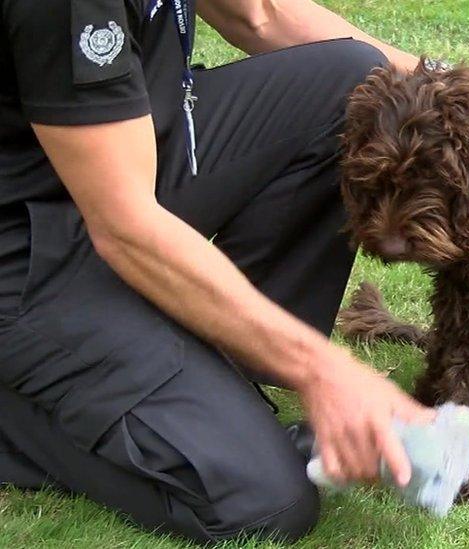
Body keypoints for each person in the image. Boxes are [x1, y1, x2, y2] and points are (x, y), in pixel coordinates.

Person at [0, 0, 439, 542]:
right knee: (261, 499)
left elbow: (258, 15)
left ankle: (210, 369)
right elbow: (124, 227)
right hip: (32, 249)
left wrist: (444, 87)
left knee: (361, 87)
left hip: (130, 146)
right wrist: (323, 369)